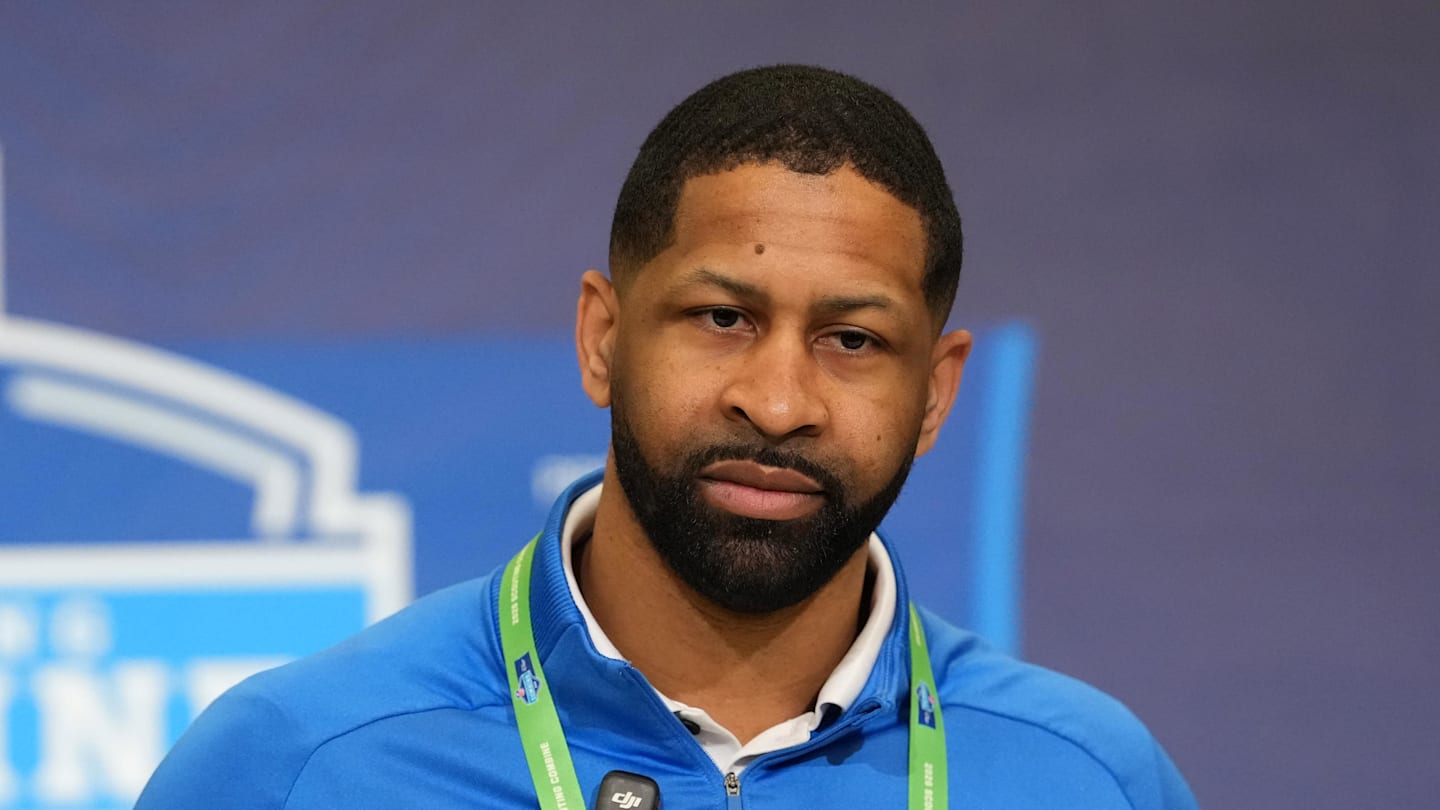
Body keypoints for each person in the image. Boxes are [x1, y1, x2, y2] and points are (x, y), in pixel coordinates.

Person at [138, 64, 1197, 809]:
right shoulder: (300, 766)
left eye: (852, 339)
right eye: (722, 318)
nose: (777, 403)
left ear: (936, 392)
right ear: (603, 338)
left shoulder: (1090, 779)